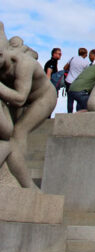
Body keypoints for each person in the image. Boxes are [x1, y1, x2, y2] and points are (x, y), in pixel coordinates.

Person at [0, 44, 57, 188]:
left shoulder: (23, 64)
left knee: (19, 131)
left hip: (43, 97)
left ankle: (21, 182)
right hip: (14, 99)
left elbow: (20, 98)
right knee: (7, 135)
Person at [64, 47, 91, 113]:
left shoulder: (72, 58)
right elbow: (87, 74)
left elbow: (65, 67)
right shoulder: (86, 63)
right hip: (78, 82)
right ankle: (78, 113)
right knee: (79, 99)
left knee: (70, 99)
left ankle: (69, 113)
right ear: (85, 54)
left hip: (69, 81)